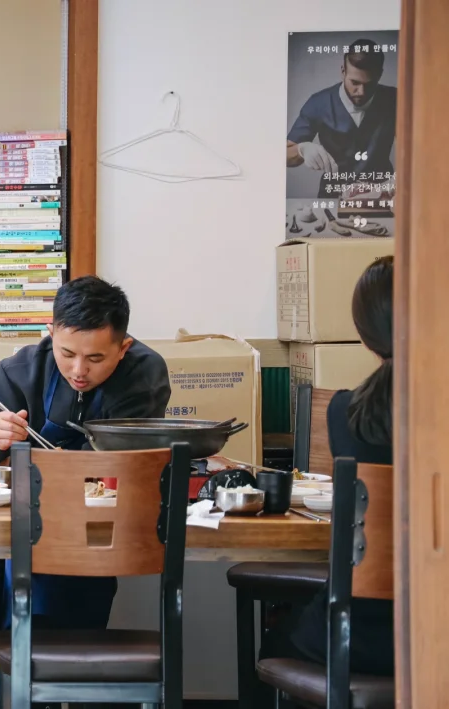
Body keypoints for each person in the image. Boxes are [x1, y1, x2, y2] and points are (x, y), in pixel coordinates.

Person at [0, 276, 171, 672]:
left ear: (123, 347)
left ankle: (42, 680)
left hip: (91, 528)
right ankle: (16, 671)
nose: (79, 370)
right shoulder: (19, 370)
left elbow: (121, 457)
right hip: (6, 524)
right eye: (67, 353)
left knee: (62, 602)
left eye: (95, 358)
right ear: (51, 334)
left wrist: (61, 468)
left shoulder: (143, 373)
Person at [261, 256, 394, 687]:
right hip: (435, 632)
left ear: (364, 334)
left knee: (276, 637)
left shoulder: (342, 414)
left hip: (356, 637)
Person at [286, 39, 397, 199]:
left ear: (379, 74)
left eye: (369, 84)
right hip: (332, 196)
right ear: (343, 71)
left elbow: (418, 152)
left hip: (382, 196)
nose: (361, 92)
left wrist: (394, 184)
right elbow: (285, 155)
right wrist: (302, 149)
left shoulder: (395, 99)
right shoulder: (318, 103)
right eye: (355, 82)